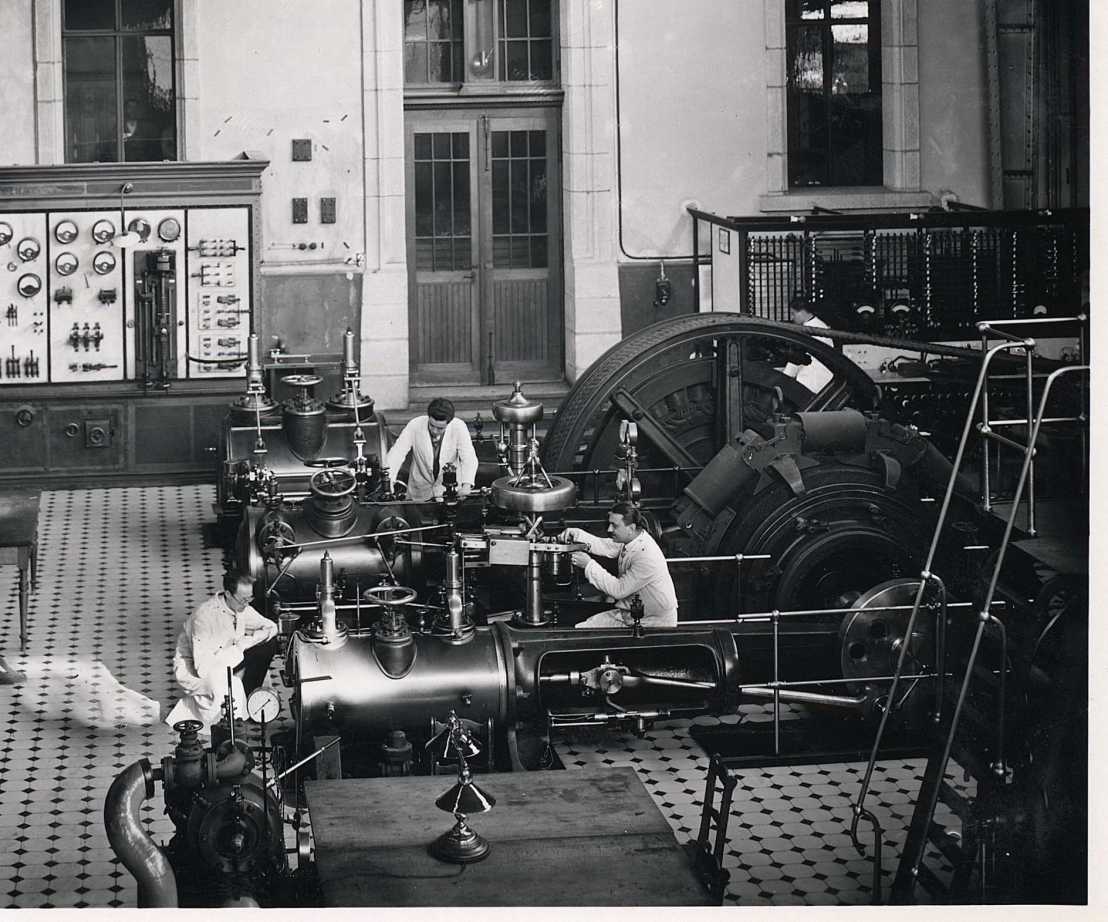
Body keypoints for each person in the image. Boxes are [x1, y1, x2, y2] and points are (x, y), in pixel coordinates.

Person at [165, 571, 278, 734]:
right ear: (227, 594)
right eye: (243, 599)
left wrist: (250, 640)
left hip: (226, 659)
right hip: (196, 670)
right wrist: (239, 647)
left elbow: (271, 627)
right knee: (223, 696)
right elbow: (202, 668)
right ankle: (224, 711)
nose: (247, 604)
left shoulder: (240, 607)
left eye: (250, 598)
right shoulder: (204, 617)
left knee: (268, 645)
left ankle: (249, 700)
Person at [559, 502, 679, 628]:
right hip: (630, 614)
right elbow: (606, 546)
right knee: (582, 628)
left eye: (614, 526)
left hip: (653, 623)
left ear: (631, 528)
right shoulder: (634, 539)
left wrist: (588, 565)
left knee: (585, 633)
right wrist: (577, 534)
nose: (609, 529)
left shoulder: (647, 556)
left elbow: (618, 590)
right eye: (609, 524)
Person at [385, 397, 478, 502]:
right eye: (431, 425)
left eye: (440, 428)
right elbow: (397, 453)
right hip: (419, 492)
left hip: (448, 493)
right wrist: (389, 480)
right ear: (428, 417)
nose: (434, 431)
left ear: (449, 423)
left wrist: (467, 485)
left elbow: (468, 458)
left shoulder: (459, 427)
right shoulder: (415, 425)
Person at [784, 295, 834, 393]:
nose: (792, 318)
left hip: (811, 380)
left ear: (802, 312)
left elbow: (796, 357)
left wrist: (784, 378)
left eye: (793, 314)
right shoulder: (820, 326)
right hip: (823, 378)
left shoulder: (807, 330)